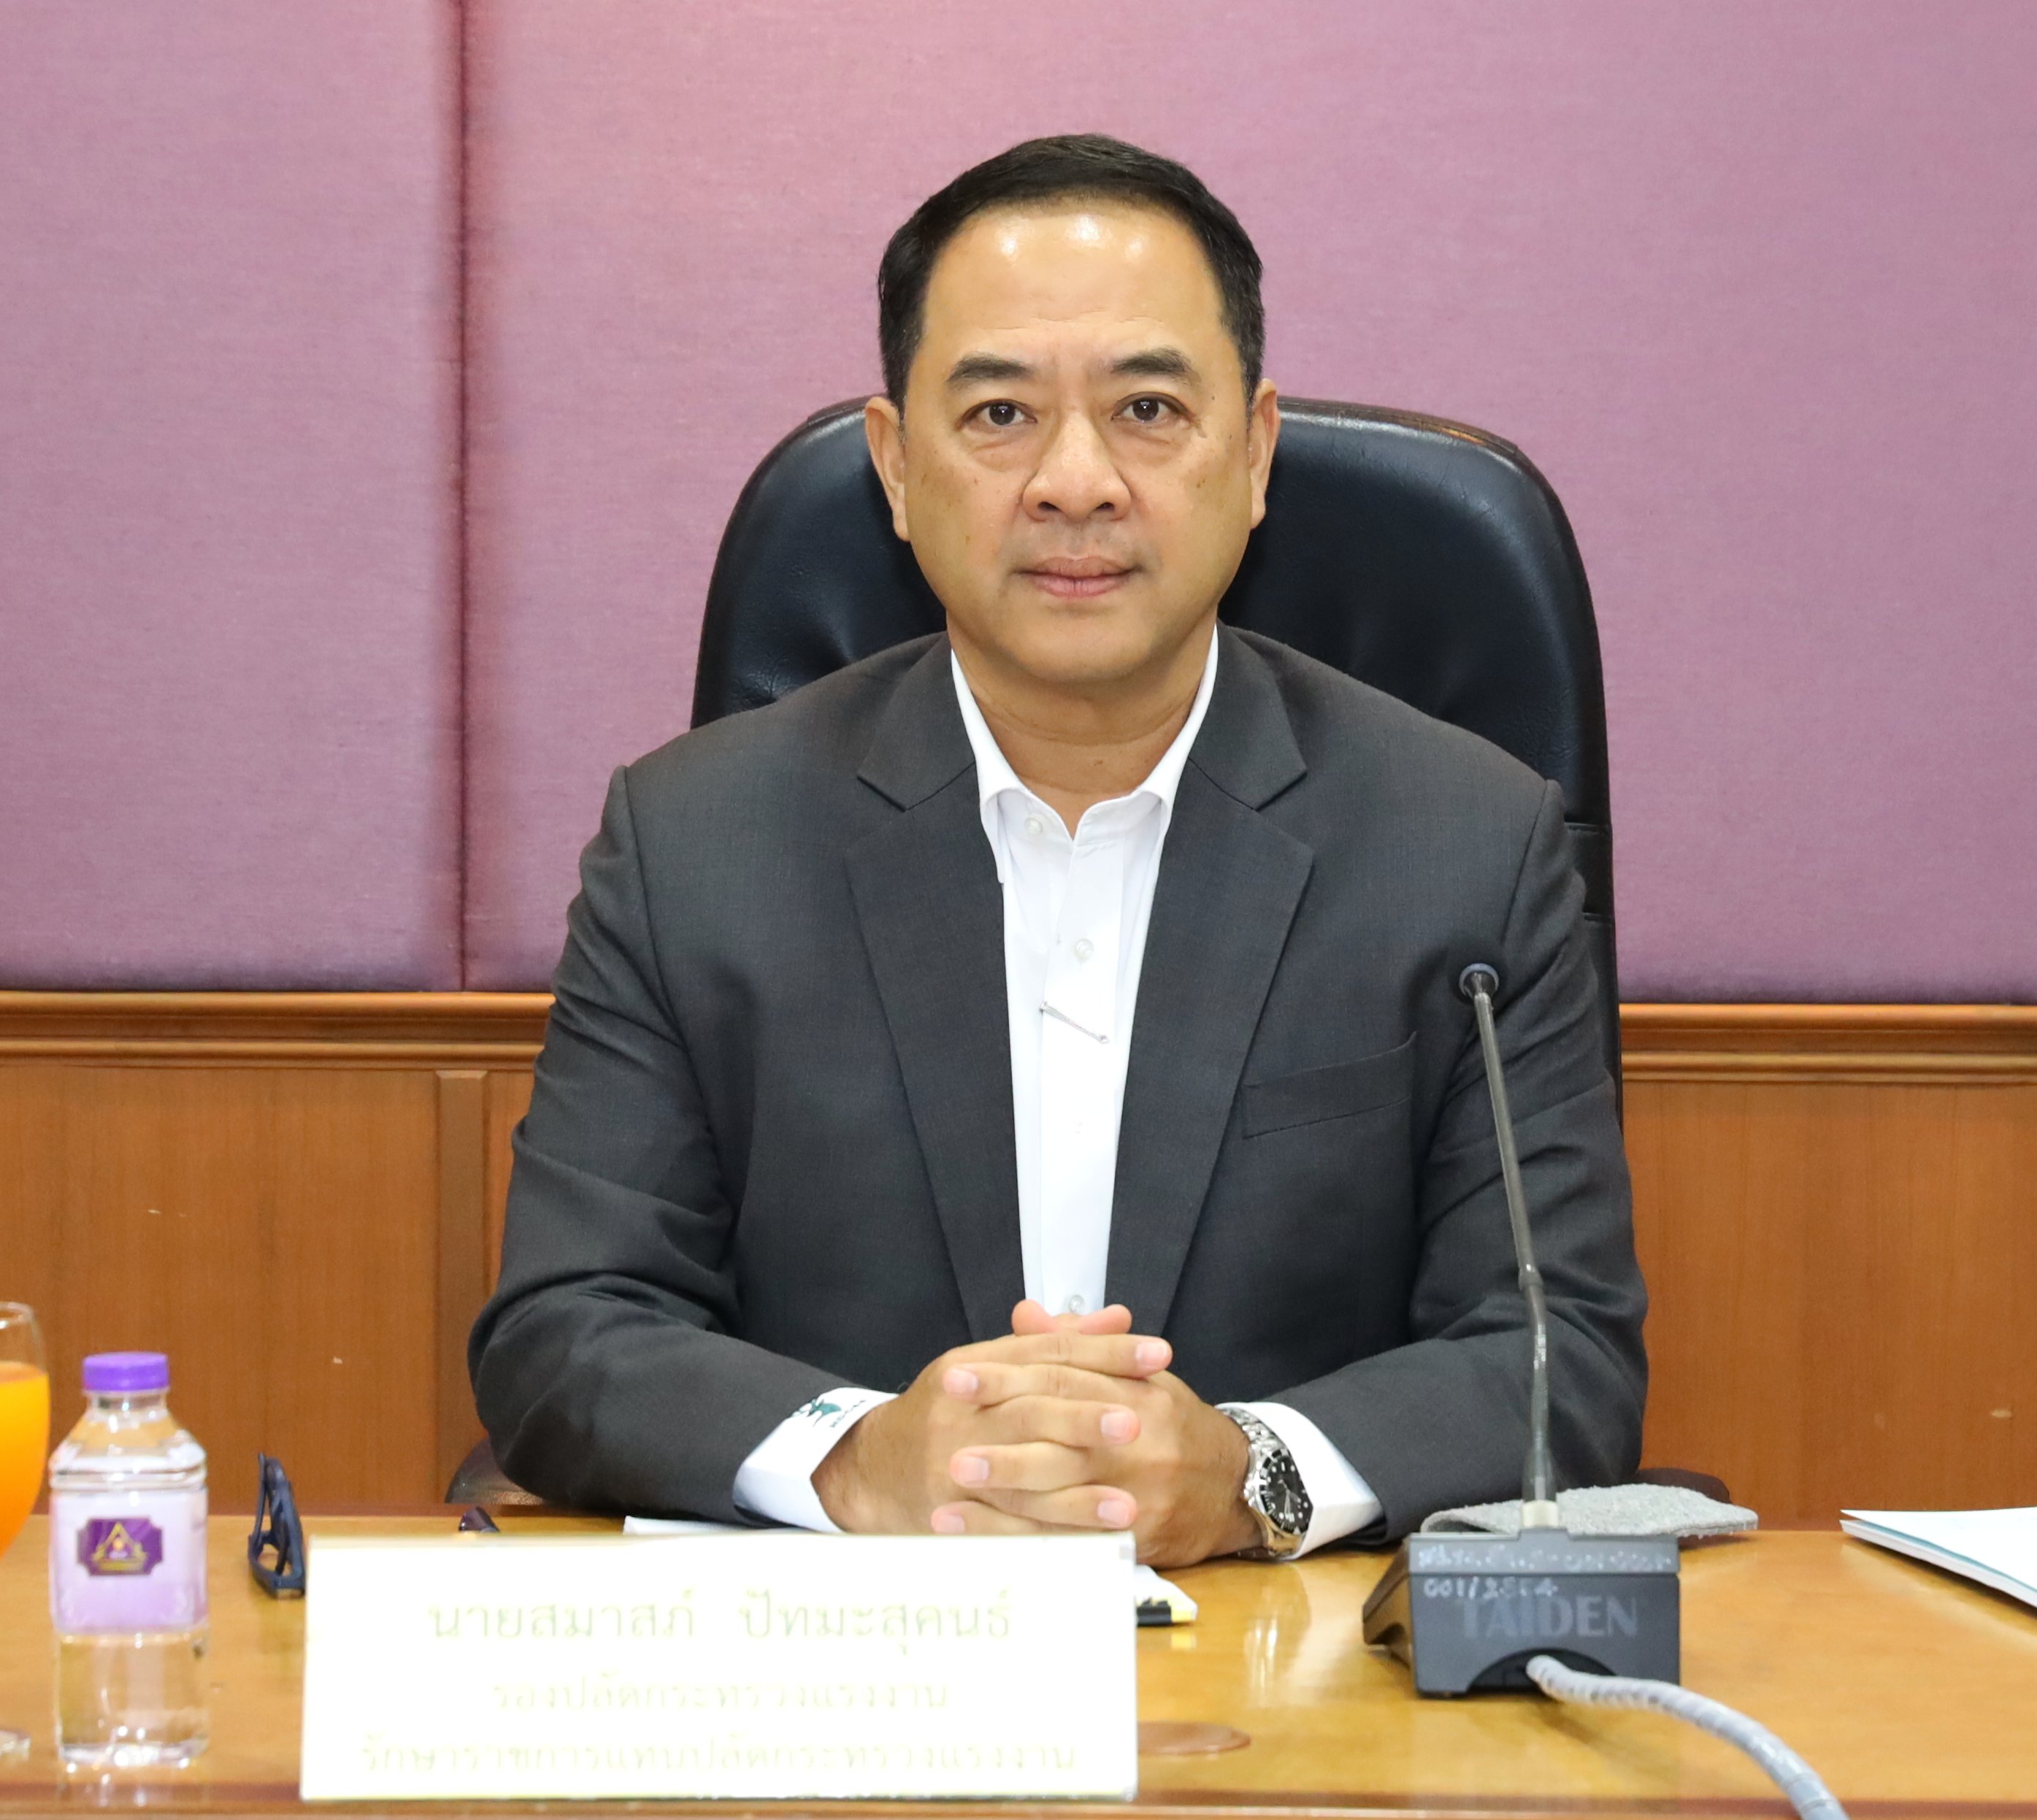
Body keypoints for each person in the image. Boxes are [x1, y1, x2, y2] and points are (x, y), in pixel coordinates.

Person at [470, 134, 1646, 1567]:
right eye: (999, 414)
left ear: (1254, 452)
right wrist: (858, 1459)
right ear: (895, 466)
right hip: (859, 1656)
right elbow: (566, 1328)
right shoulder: (694, 845)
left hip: (1293, 1662)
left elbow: (1557, 1355)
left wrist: (1251, 1474)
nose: (1074, 481)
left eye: (1148, 408)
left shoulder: (1465, 844)